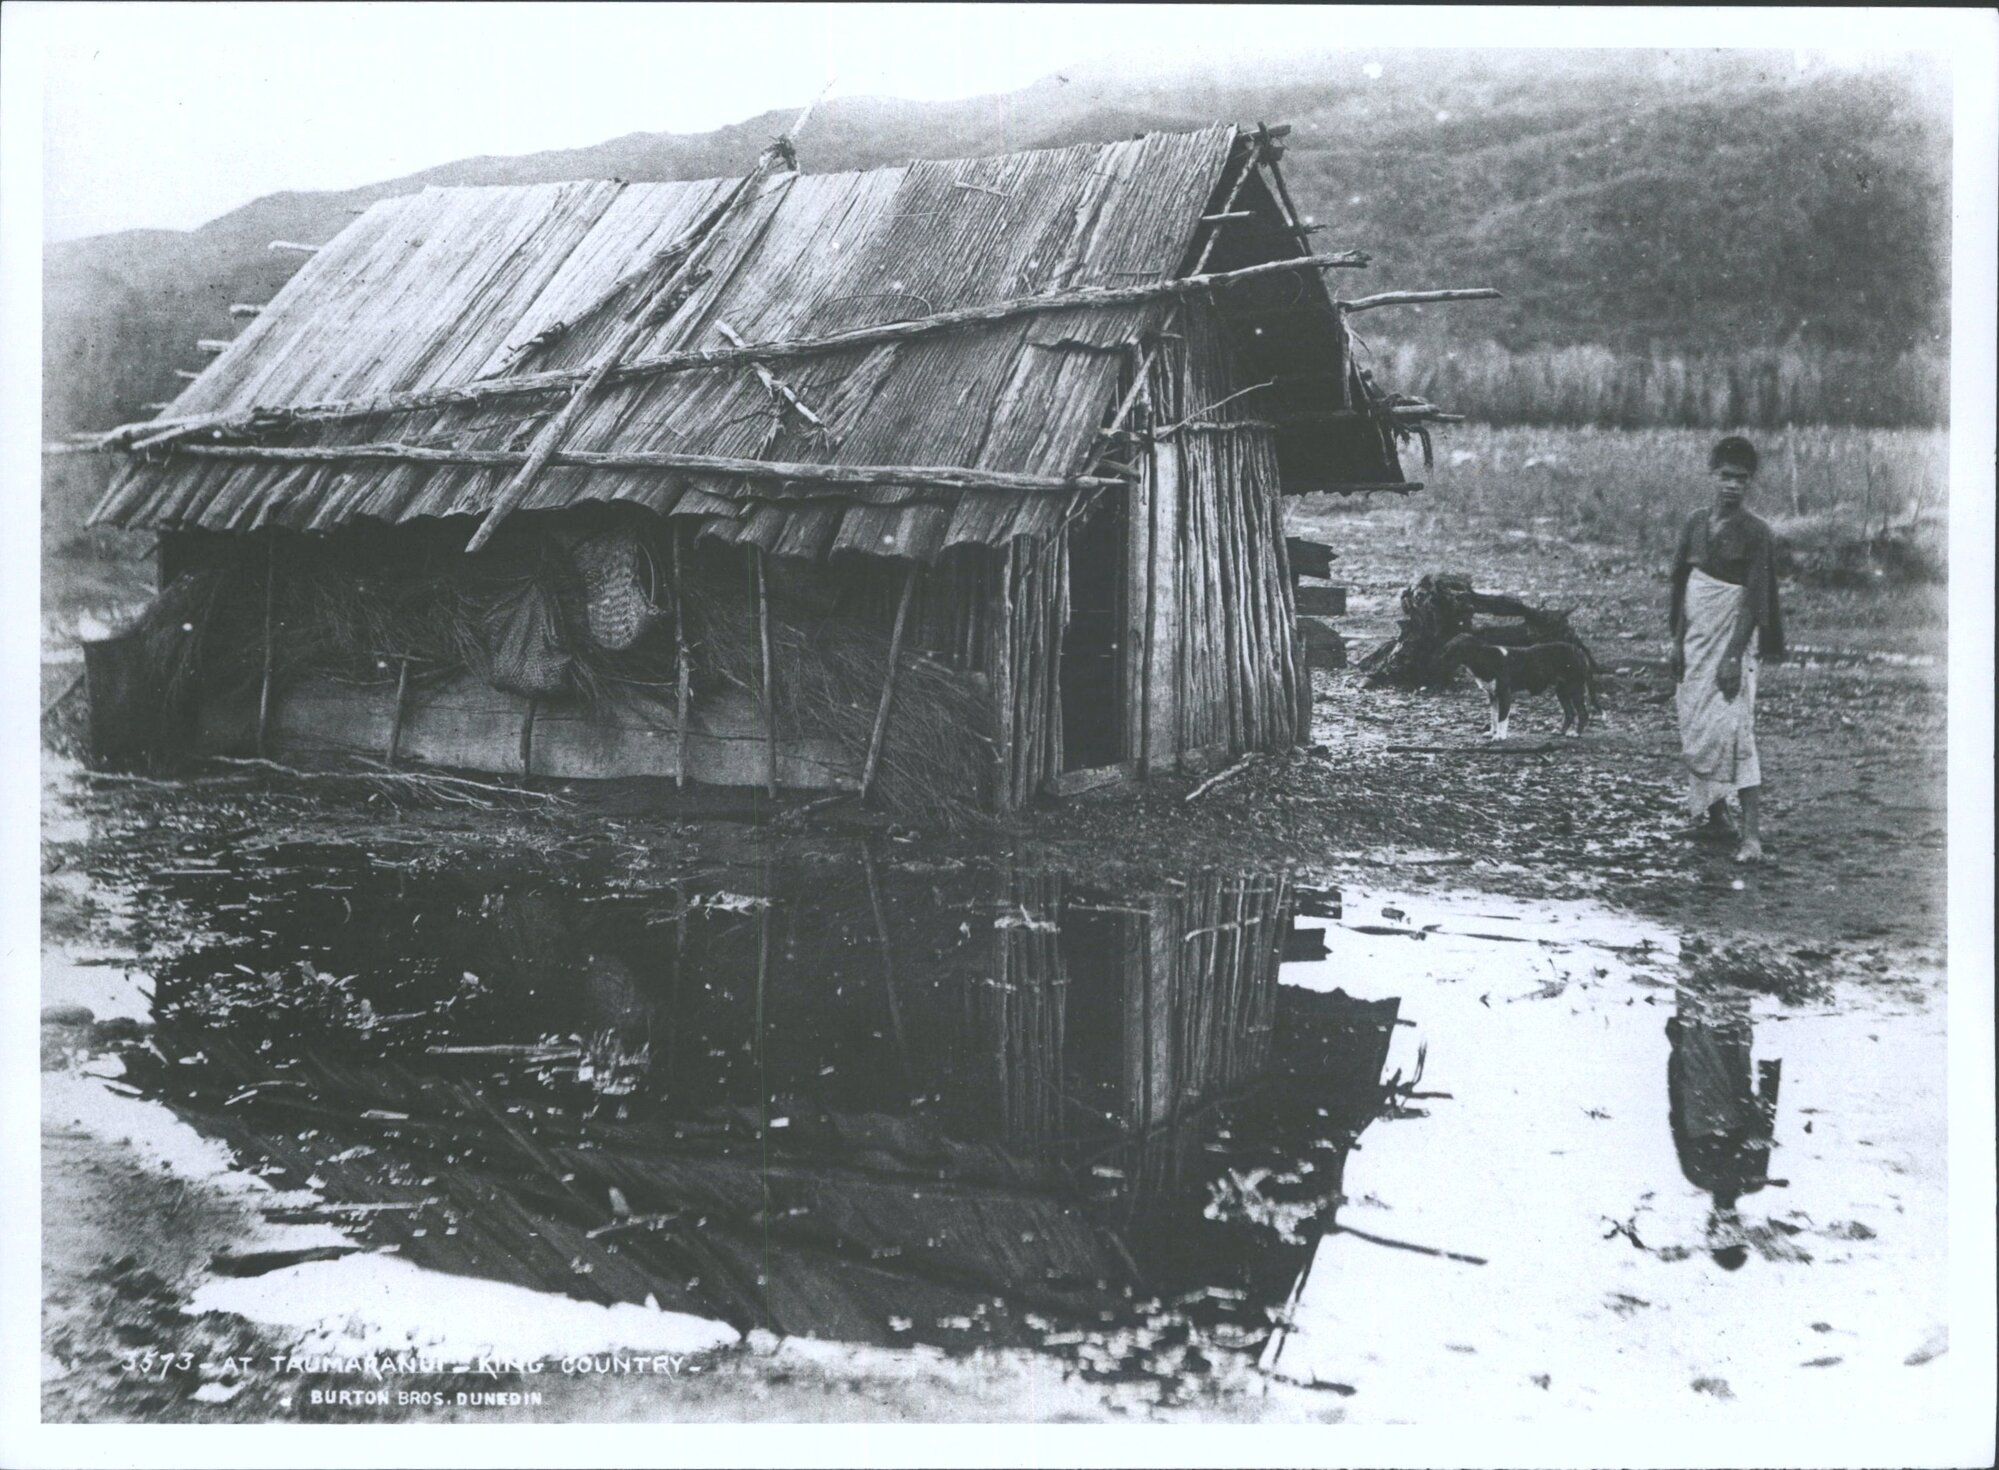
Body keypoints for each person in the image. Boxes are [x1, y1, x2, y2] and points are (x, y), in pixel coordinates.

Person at [1670, 436, 1785, 863]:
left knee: (1736, 728)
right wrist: (1676, 641)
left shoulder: (1757, 533)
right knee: (1696, 723)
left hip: (1732, 638)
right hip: (1695, 637)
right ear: (1711, 476)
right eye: (1725, 477)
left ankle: (1750, 835)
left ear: (1749, 482)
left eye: (1741, 479)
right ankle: (1715, 815)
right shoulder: (1695, 524)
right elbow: (1682, 586)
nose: (1732, 486)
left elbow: (1755, 598)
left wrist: (1734, 655)